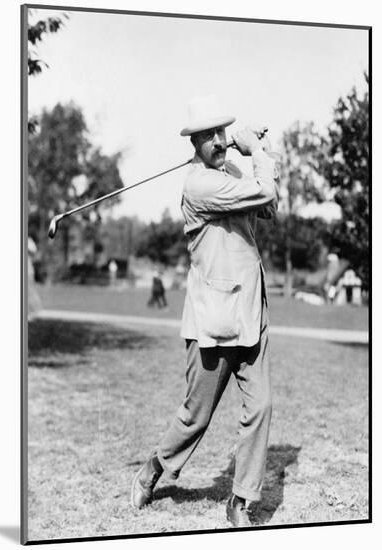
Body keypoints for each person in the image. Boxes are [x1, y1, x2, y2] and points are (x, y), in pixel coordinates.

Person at [131, 95, 280, 527]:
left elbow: (269, 206)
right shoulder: (198, 184)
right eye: (208, 135)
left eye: (222, 132)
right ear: (193, 142)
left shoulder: (229, 172)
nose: (218, 140)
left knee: (262, 405)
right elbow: (265, 190)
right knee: (195, 417)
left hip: (252, 311)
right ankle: (154, 469)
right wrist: (256, 153)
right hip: (212, 319)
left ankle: (241, 499)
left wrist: (255, 156)